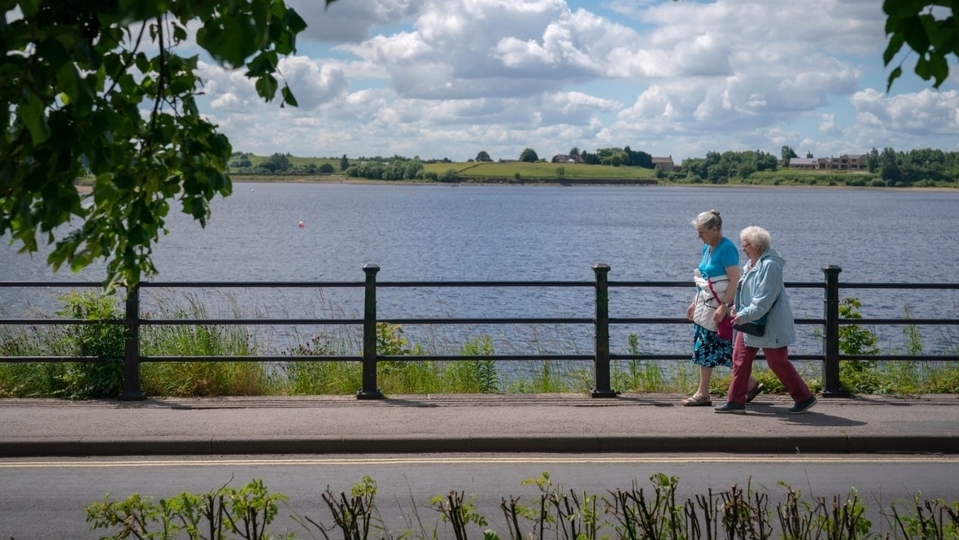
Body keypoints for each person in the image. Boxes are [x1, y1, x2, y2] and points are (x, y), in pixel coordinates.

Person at [714, 226, 817, 414]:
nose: (743, 249)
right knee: (740, 360)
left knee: (778, 363)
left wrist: (742, 315)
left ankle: (804, 397)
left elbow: (764, 299)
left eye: (745, 245)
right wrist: (738, 309)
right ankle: (735, 401)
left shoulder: (770, 265)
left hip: (768, 324)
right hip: (749, 321)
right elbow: (745, 292)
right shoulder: (752, 263)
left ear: (757, 245)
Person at [683, 210, 761, 407]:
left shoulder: (727, 248)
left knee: (710, 348)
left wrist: (724, 306)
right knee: (715, 349)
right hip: (705, 305)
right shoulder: (707, 249)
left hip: (718, 307)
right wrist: (694, 303)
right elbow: (704, 280)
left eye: (701, 232)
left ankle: (703, 393)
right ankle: (750, 384)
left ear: (715, 229)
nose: (698, 236)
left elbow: (735, 279)